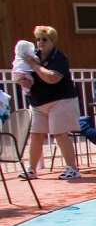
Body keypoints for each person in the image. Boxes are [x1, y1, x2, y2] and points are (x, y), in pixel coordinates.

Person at [18, 26, 81, 180]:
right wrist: (22, 80)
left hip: (60, 101)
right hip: (38, 102)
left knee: (60, 134)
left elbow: (52, 78)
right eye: (38, 39)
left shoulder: (59, 58)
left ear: (52, 40)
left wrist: (35, 66)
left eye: (44, 39)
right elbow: (21, 73)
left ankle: (72, 169)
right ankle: (31, 170)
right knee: (35, 135)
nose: (40, 42)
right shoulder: (33, 56)